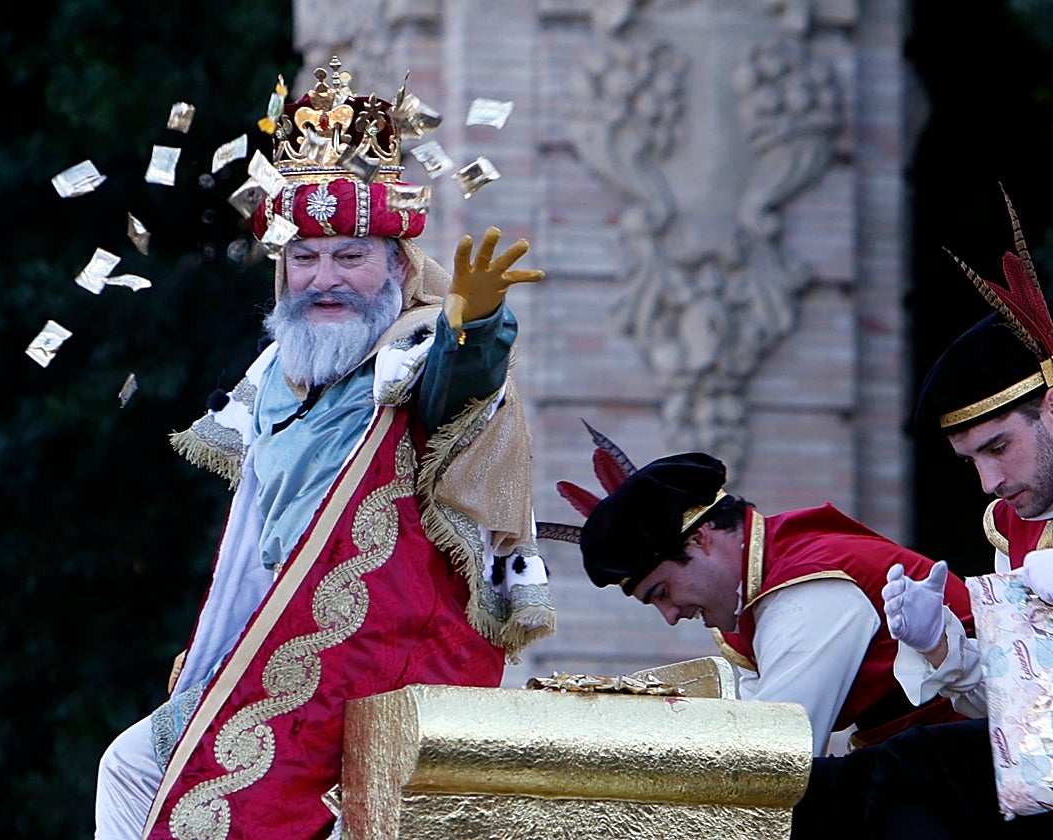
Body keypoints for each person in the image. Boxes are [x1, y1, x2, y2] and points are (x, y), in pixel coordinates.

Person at [94, 58, 556, 840]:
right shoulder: (275, 369)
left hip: (379, 651)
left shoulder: (412, 350)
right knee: (133, 765)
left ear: (398, 267)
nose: (324, 279)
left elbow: (459, 380)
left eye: (350, 255)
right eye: (304, 257)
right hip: (272, 642)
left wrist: (476, 325)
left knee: (219, 807)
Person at [792, 190, 1053, 838]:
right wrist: (942, 643)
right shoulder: (1014, 528)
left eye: (999, 447)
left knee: (894, 774)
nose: (991, 483)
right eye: (972, 462)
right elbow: (1021, 716)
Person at [550, 444, 973, 758]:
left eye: (662, 592)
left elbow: (774, 755)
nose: (671, 616)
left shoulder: (806, 590)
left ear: (700, 539)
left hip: (984, 770)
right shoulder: (773, 578)